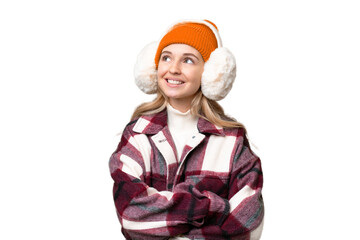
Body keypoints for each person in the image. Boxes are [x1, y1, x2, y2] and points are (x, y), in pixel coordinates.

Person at [109, 19, 264, 240]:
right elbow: (131, 214)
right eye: (166, 57)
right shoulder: (136, 135)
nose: (173, 68)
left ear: (210, 73)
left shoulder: (232, 140)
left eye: (188, 60)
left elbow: (249, 223)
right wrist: (213, 205)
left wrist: (164, 223)